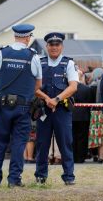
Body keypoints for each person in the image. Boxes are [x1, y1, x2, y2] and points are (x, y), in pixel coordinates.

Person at [0, 24, 42, 187]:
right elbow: (38, 85)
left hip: (3, 107)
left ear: (15, 36)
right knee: (19, 144)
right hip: (23, 108)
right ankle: (14, 180)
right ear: (27, 37)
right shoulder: (33, 56)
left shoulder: (1, 53)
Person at [35, 32, 78, 185]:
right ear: (46, 46)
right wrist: (47, 99)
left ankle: (69, 176)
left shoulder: (69, 64)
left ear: (62, 46)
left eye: (57, 44)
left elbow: (73, 87)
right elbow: (35, 88)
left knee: (65, 143)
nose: (54, 47)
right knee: (42, 144)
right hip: (44, 110)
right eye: (51, 45)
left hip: (62, 111)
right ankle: (40, 176)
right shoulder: (39, 63)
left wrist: (57, 99)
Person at [72, 70, 93, 163]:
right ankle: (81, 157)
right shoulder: (87, 89)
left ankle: (72, 156)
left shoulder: (68, 88)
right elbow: (90, 103)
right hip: (84, 116)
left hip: (71, 115)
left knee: (71, 136)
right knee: (82, 137)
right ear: (81, 77)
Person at [88, 68, 103, 163]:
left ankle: (94, 155)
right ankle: (101, 156)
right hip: (102, 112)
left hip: (93, 113)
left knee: (94, 136)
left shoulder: (90, 87)